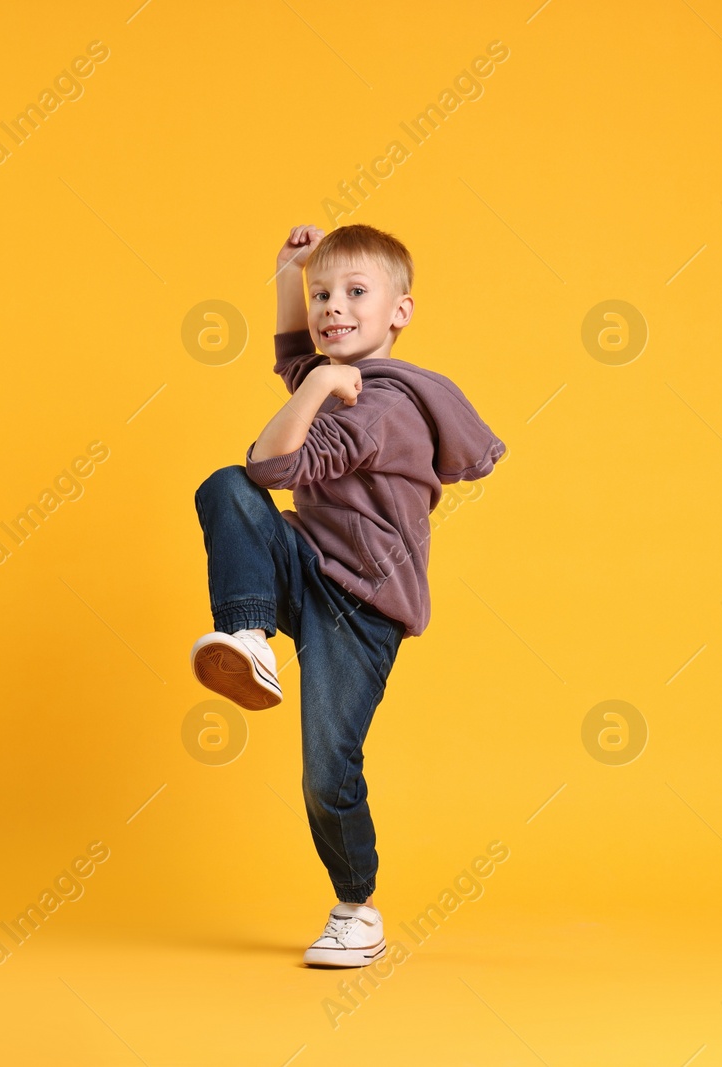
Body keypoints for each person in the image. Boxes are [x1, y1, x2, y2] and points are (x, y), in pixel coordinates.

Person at [191, 223, 506, 967]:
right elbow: (293, 359)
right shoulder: (334, 375)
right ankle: (248, 637)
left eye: (355, 293)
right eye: (323, 294)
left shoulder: (385, 410)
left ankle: (357, 907)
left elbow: (274, 465)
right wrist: (286, 276)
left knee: (327, 769)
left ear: (400, 311)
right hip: (310, 563)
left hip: (361, 608)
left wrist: (322, 386)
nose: (332, 307)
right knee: (222, 488)